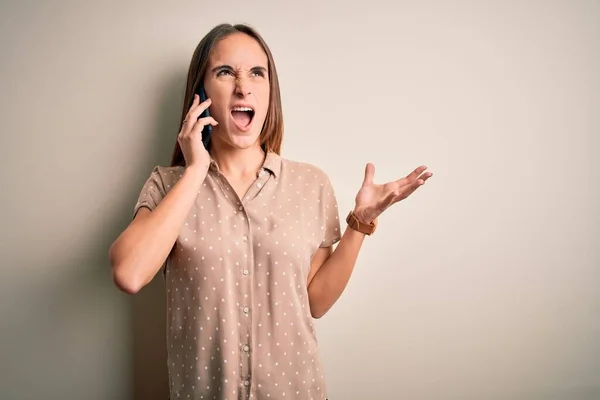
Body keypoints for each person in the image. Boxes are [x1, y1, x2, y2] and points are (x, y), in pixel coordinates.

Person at [109, 23, 432, 400]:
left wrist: (361, 223)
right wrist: (196, 169)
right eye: (225, 72)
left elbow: (316, 301)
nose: (243, 86)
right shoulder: (168, 186)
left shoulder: (310, 184)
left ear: (269, 93)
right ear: (202, 93)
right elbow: (129, 273)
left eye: (256, 73)